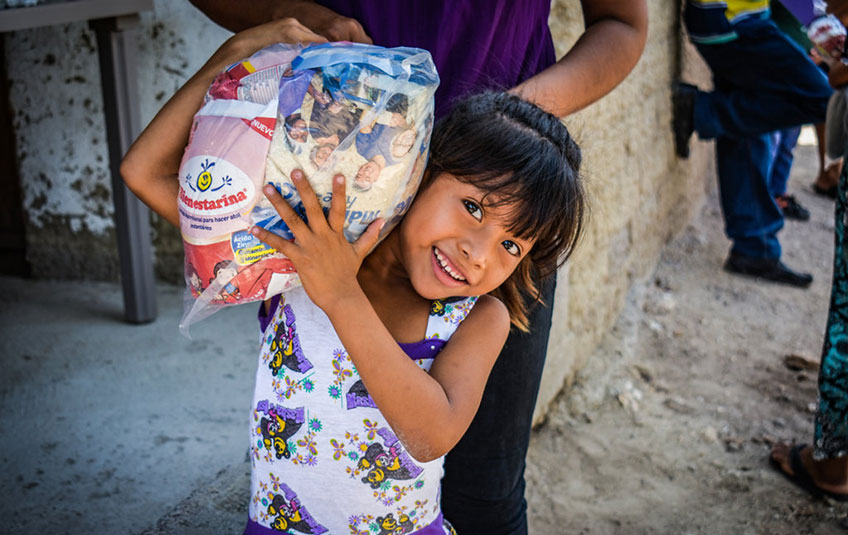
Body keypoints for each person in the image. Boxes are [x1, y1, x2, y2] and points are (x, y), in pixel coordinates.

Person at [186, 2, 647, 533]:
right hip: (353, 179)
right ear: (426, 173)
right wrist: (252, 43)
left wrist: (509, 134)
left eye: (513, 247)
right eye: (474, 209)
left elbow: (624, 24)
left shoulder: (480, 315)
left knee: (488, 490)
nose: (479, 251)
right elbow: (145, 176)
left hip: (501, 163)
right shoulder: (315, 257)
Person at [673, 0, 832, 288]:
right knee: (824, 98)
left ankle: (754, 249)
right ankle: (702, 111)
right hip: (731, 20)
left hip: (731, 18)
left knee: (747, 129)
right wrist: (818, 21)